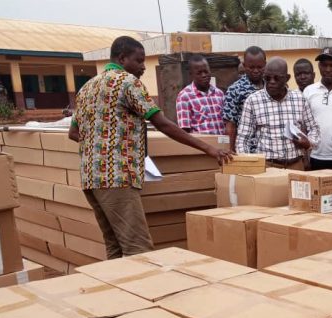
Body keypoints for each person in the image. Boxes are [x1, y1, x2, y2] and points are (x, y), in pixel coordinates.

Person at [69, 36, 231, 259]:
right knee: (138, 249)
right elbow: (162, 123)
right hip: (117, 178)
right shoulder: (128, 82)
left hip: (90, 177)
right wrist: (210, 149)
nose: (143, 67)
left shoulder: (86, 87)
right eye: (139, 61)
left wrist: (100, 145)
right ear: (122, 58)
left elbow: (73, 133)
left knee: (114, 247)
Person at [237, 57, 320, 171]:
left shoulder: (300, 99)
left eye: (277, 78)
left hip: (296, 165)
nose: (271, 82)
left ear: (287, 78)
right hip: (267, 166)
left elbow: (314, 128)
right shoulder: (253, 101)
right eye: (267, 78)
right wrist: (248, 166)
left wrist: (309, 142)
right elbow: (243, 139)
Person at [222, 46, 266, 151]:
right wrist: (231, 151)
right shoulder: (235, 90)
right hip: (247, 150)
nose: (256, 71)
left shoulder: (272, 85)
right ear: (244, 65)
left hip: (272, 150)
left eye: (259, 67)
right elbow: (230, 126)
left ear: (265, 64)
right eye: (251, 67)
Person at [175, 54, 225, 135]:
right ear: (191, 75)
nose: (204, 75)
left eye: (206, 71)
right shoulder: (185, 97)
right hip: (201, 146)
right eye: (199, 73)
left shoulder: (219, 94)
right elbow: (185, 131)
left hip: (221, 144)